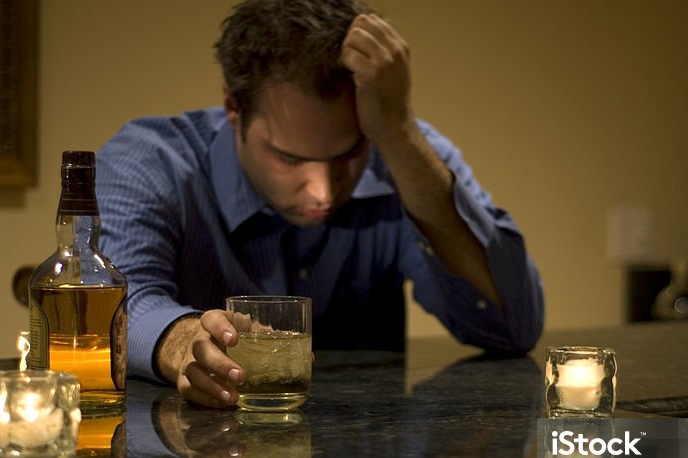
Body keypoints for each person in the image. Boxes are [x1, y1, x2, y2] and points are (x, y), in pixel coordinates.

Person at [97, 0, 544, 408]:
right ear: (234, 108)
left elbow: (511, 329)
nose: (323, 193)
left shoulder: (401, 152)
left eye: (350, 153)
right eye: (290, 158)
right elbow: (116, 306)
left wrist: (398, 132)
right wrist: (183, 340)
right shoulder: (151, 161)